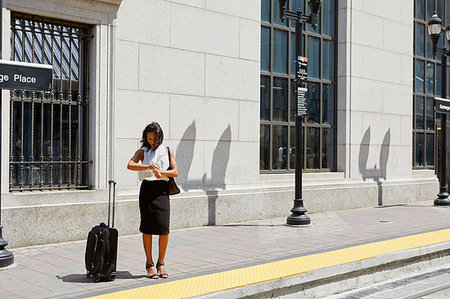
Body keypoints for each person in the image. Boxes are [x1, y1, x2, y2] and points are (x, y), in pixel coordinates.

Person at [127, 122, 178, 279]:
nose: (152, 142)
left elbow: (175, 172)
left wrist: (160, 171)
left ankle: (161, 263)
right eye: (149, 138)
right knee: (147, 228)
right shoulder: (143, 151)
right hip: (147, 192)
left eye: (155, 139)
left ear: (160, 137)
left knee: (164, 228)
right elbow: (130, 165)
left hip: (162, 191)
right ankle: (149, 264)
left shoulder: (168, 150)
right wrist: (147, 167)